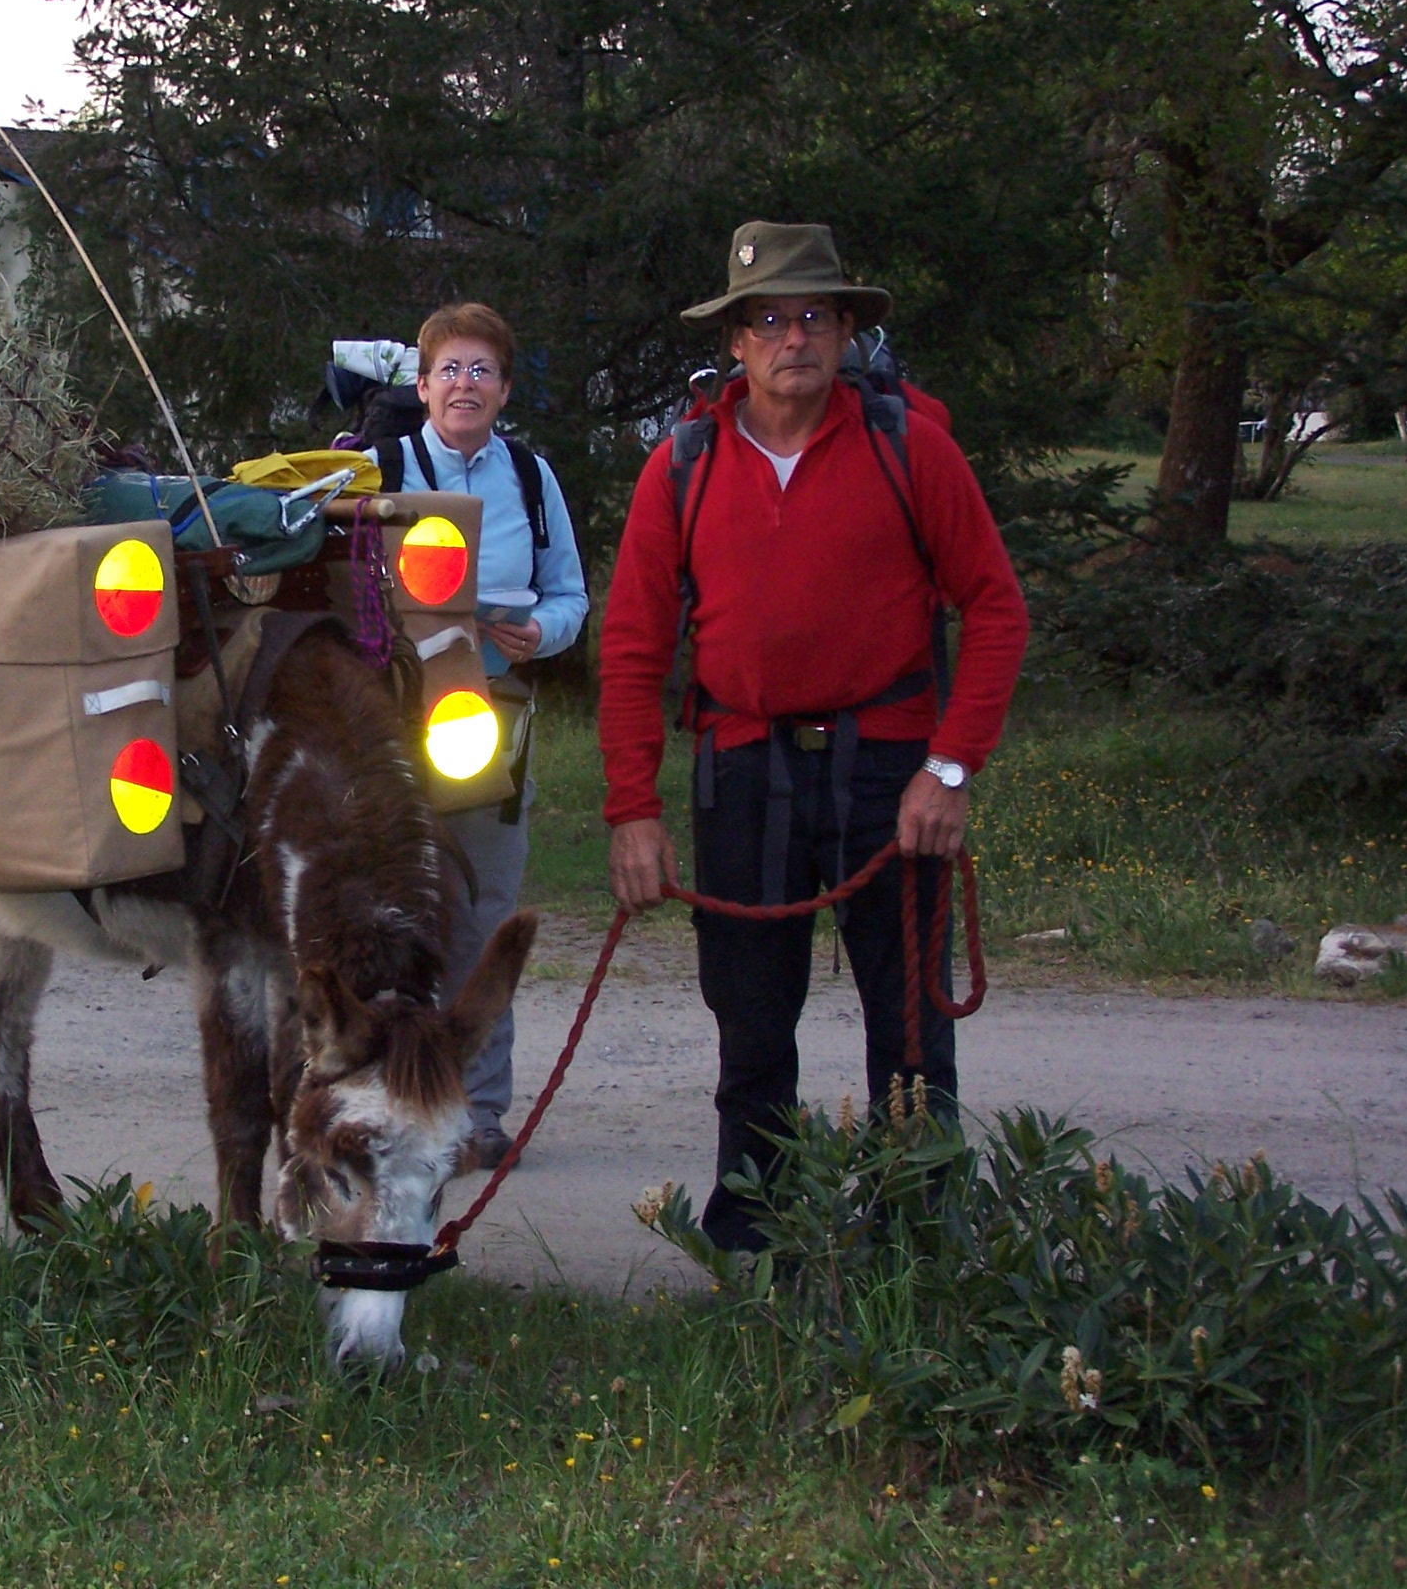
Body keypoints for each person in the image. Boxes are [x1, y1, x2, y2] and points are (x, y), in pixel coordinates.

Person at [596, 222, 1029, 1252]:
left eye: (814, 317)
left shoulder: (909, 446)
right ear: (736, 341)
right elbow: (633, 646)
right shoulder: (683, 465)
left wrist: (949, 768)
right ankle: (755, 1250)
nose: (794, 337)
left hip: (892, 769)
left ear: (843, 332)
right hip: (743, 769)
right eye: (770, 320)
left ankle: (917, 1247)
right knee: (750, 1030)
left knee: (912, 1031)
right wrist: (632, 810)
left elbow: (995, 607)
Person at [371, 302, 590, 1172]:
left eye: (483, 370)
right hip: (387, 717)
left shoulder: (531, 479)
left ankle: (476, 1113)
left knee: (479, 913)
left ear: (504, 389)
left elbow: (569, 595)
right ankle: (384, 1103)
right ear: (423, 386)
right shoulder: (379, 468)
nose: (467, 384)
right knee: (382, 916)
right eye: (451, 369)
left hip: (490, 713)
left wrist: (543, 633)